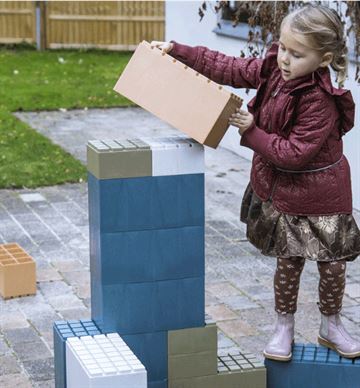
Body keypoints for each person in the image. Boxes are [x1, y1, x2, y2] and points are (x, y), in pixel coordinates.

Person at [151, 3, 360, 361]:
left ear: (324, 58)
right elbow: (227, 66)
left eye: (297, 54)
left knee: (333, 265)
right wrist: (178, 51)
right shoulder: (273, 70)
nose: (284, 59)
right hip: (287, 192)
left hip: (323, 194)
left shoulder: (320, 102)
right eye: (283, 47)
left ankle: (331, 324)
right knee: (289, 261)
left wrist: (252, 130)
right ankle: (284, 326)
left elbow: (294, 153)